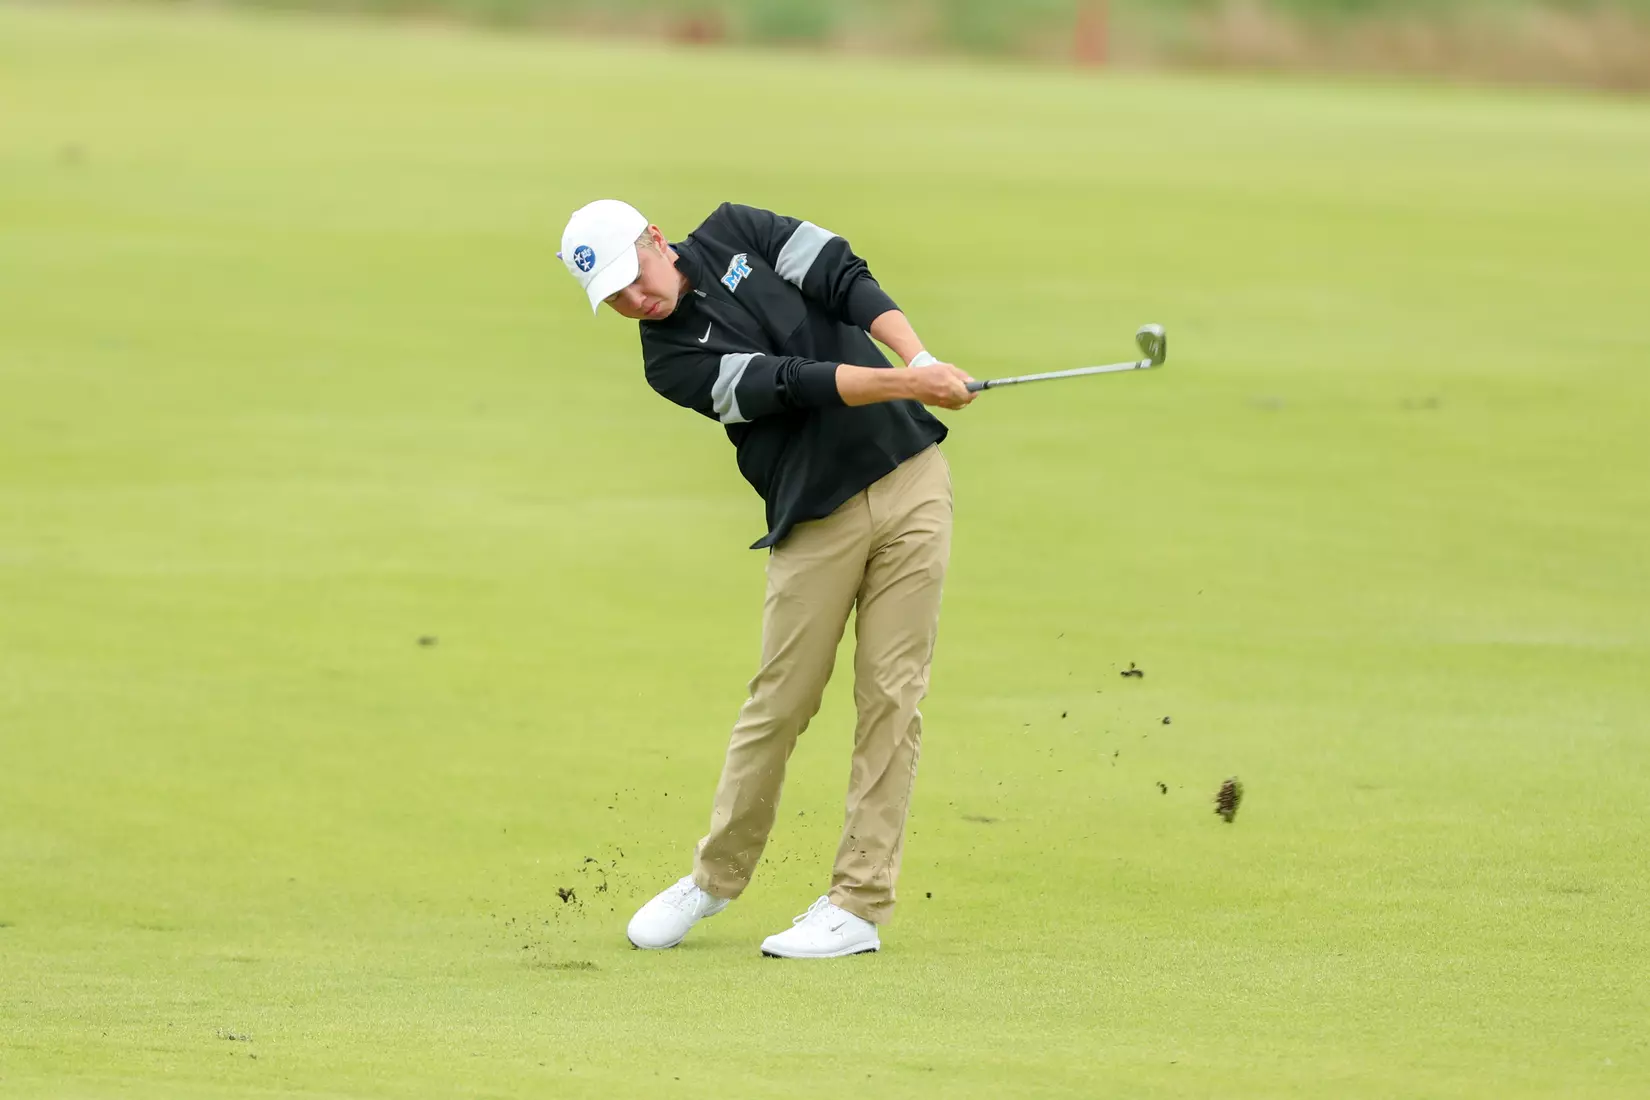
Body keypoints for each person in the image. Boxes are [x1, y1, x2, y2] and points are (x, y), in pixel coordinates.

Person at [559, 198, 974, 958]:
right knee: (779, 703)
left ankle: (856, 905)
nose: (633, 300)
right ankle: (714, 880)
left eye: (633, 276)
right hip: (815, 521)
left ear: (655, 237)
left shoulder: (739, 230)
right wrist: (909, 385)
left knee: (892, 695)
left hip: (914, 480)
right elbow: (787, 382)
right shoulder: (668, 363)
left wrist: (917, 360)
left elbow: (845, 279)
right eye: (613, 298)